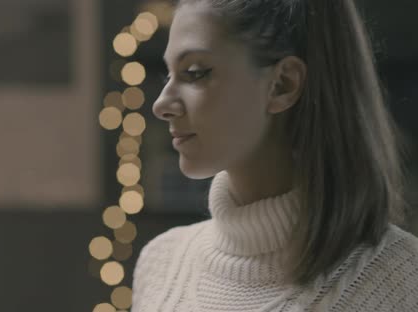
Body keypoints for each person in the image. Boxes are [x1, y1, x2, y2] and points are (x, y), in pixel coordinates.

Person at [131, 0, 418, 311]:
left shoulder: (399, 281)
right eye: (168, 75)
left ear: (283, 84)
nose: (161, 104)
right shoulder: (160, 263)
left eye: (195, 73)